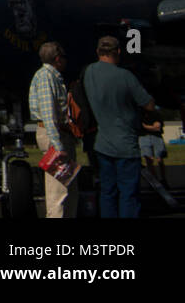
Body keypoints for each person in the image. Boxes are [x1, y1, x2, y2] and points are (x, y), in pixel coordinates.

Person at [84, 36, 156, 218]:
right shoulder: (125, 76)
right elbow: (148, 104)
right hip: (125, 143)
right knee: (128, 194)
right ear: (117, 52)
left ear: (98, 52)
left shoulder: (90, 72)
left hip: (103, 143)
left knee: (108, 192)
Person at [28, 41, 77, 218]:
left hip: (60, 133)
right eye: (64, 58)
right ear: (58, 59)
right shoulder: (46, 77)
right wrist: (57, 145)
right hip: (54, 135)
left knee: (68, 188)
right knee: (58, 192)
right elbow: (49, 114)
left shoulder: (52, 77)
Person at [140, 106, 168, 187]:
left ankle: (163, 179)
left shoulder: (156, 113)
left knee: (160, 158)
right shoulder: (139, 113)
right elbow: (142, 125)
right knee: (149, 159)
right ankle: (155, 181)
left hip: (156, 136)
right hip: (144, 136)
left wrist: (146, 127)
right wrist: (152, 127)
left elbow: (157, 126)